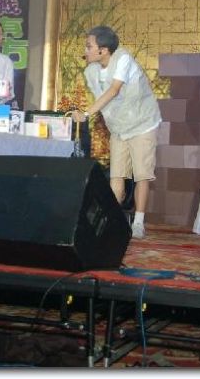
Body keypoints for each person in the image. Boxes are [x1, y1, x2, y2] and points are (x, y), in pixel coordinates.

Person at [72, 26, 162, 239]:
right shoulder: (91, 71)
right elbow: (104, 99)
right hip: (119, 128)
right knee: (117, 174)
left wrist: (86, 114)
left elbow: (113, 90)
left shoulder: (123, 59)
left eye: (89, 46)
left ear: (103, 50)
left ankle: (138, 222)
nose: (86, 50)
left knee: (141, 174)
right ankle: (112, 221)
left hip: (142, 123)